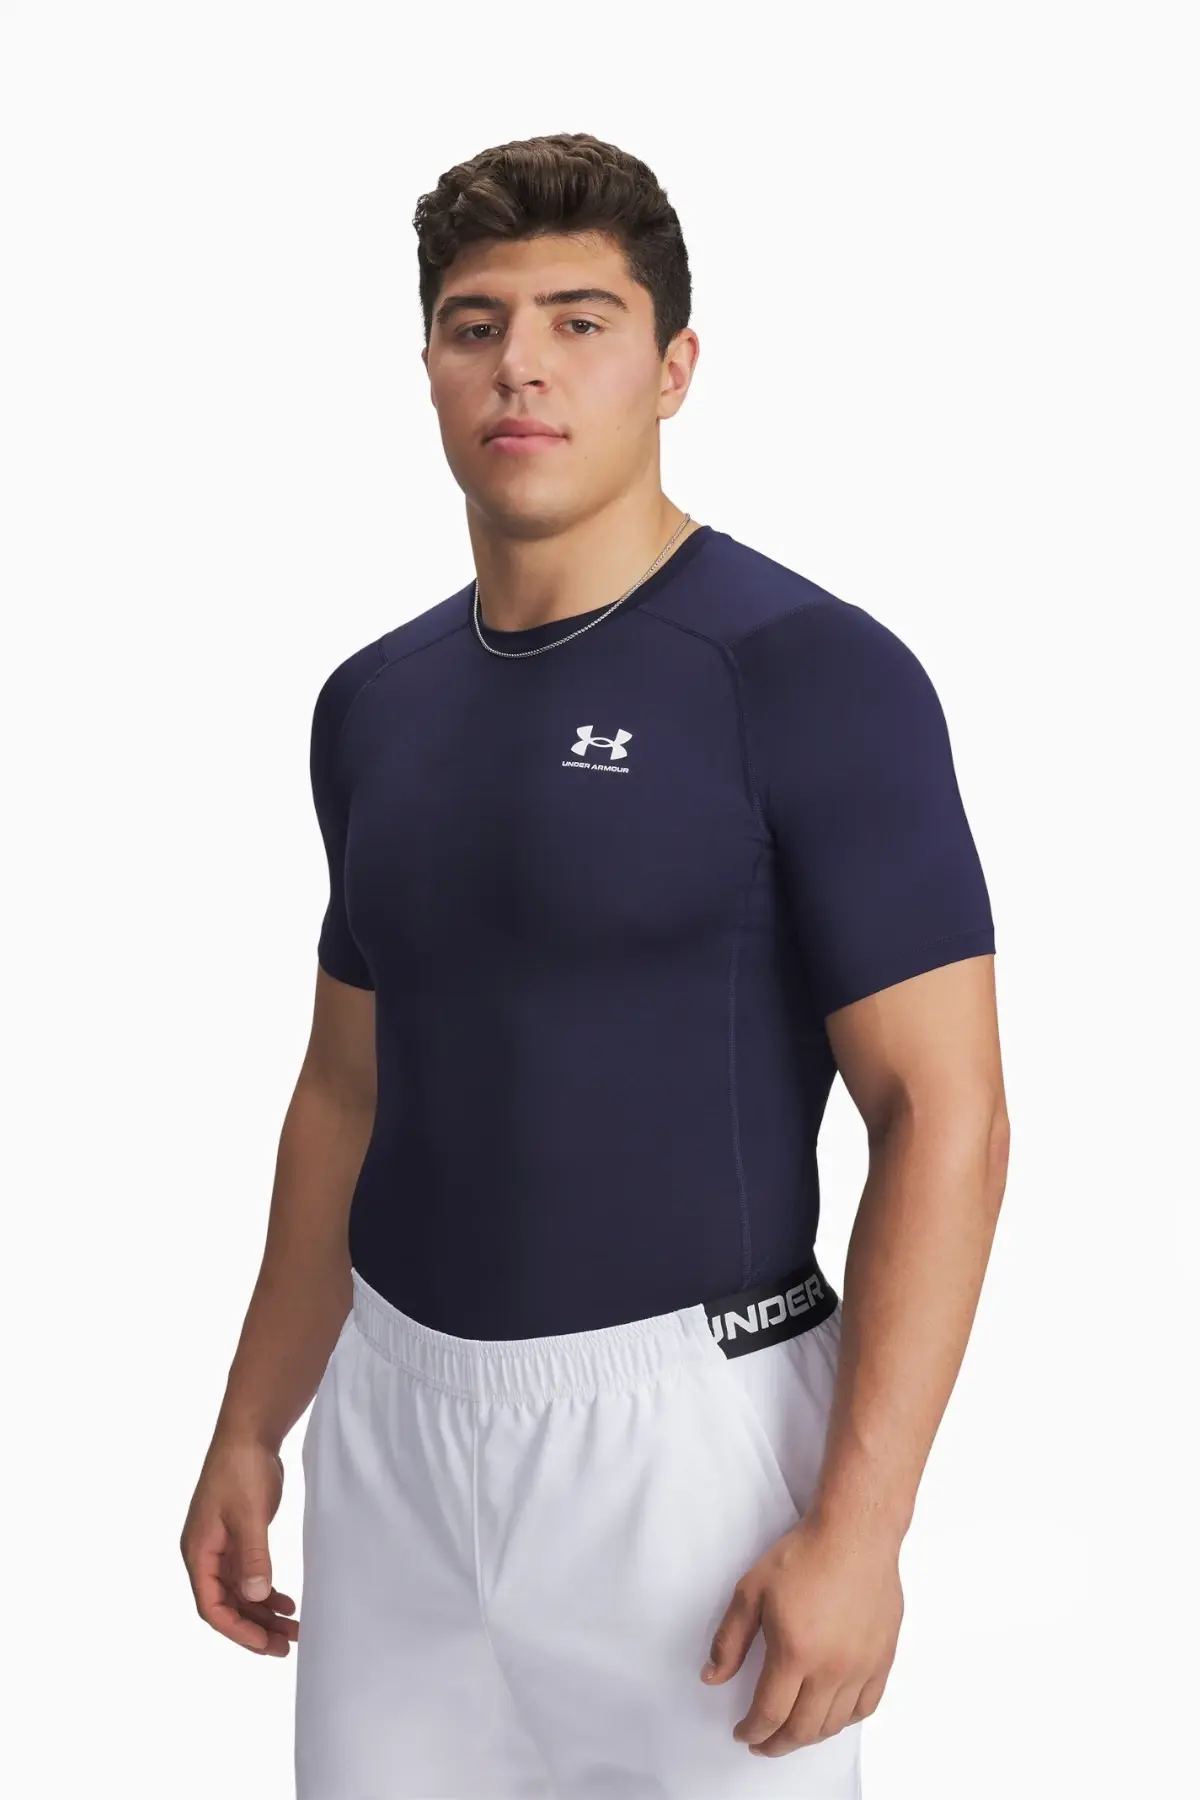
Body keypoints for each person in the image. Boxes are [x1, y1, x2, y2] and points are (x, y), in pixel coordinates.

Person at [180, 131, 1009, 1799]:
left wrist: (863, 1529)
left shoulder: (807, 673)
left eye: (580, 320)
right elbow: (345, 1092)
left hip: (689, 1449)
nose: (523, 366)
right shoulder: (374, 702)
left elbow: (947, 1114)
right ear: (428, 365)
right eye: (476, 324)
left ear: (673, 368)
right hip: (394, 1434)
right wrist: (254, 1421)